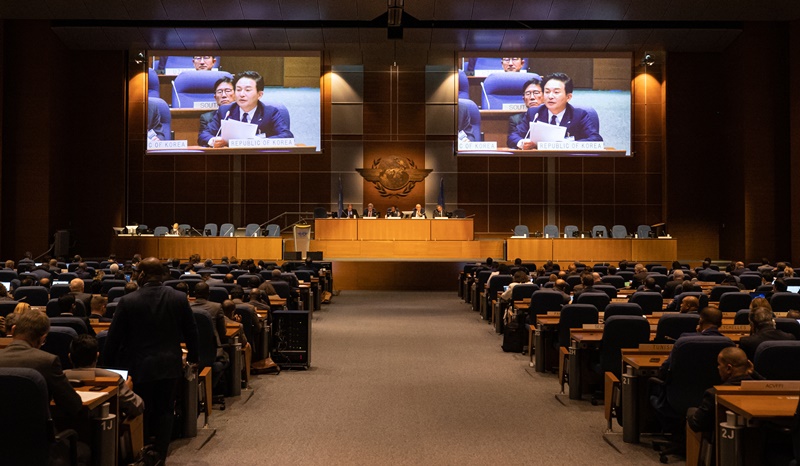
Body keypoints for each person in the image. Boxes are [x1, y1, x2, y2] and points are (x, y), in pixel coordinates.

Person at [103, 257, 199, 461]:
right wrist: (193, 357)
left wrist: (106, 368)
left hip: (139, 364)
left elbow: (114, 338)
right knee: (165, 408)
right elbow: (191, 332)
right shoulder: (179, 298)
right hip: (169, 362)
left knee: (141, 407)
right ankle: (161, 454)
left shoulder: (128, 300)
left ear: (142, 275)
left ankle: (142, 449)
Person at [0, 308, 83, 418]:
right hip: (35, 433)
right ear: (43, 338)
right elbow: (73, 405)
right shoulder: (47, 361)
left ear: (13, 330)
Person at [508, 72, 603, 149]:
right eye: (547, 92)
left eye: (556, 92)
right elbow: (513, 137)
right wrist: (522, 142)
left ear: (568, 97)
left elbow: (596, 139)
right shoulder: (534, 113)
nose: (550, 96)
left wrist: (568, 144)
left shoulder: (579, 115)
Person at [199, 70, 293, 147]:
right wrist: (213, 140)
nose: (242, 94)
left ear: (259, 95)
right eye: (238, 89)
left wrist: (259, 141)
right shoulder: (225, 111)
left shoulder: (270, 112)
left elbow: (287, 136)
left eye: (247, 90)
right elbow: (203, 135)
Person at [65, 334, 144, 419]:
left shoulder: (59, 377)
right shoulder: (114, 378)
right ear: (97, 356)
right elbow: (138, 407)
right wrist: (128, 389)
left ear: (69, 357)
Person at [687, 347, 761, 433]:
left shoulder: (714, 394)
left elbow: (696, 424)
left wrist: (690, 411)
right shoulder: (763, 392)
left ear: (728, 368)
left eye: (719, 364)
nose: (718, 367)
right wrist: (754, 374)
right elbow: (769, 386)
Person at [507, 76, 543, 148]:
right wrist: (522, 143)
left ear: (544, 96)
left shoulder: (552, 115)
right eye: (528, 93)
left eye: (536, 92)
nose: (532, 97)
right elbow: (511, 140)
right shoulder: (515, 120)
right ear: (524, 99)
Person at [197, 77, 234, 146]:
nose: (223, 95)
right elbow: (201, 139)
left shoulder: (243, 113)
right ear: (215, 97)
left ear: (236, 94)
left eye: (228, 91)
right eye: (219, 92)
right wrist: (213, 141)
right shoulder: (207, 118)